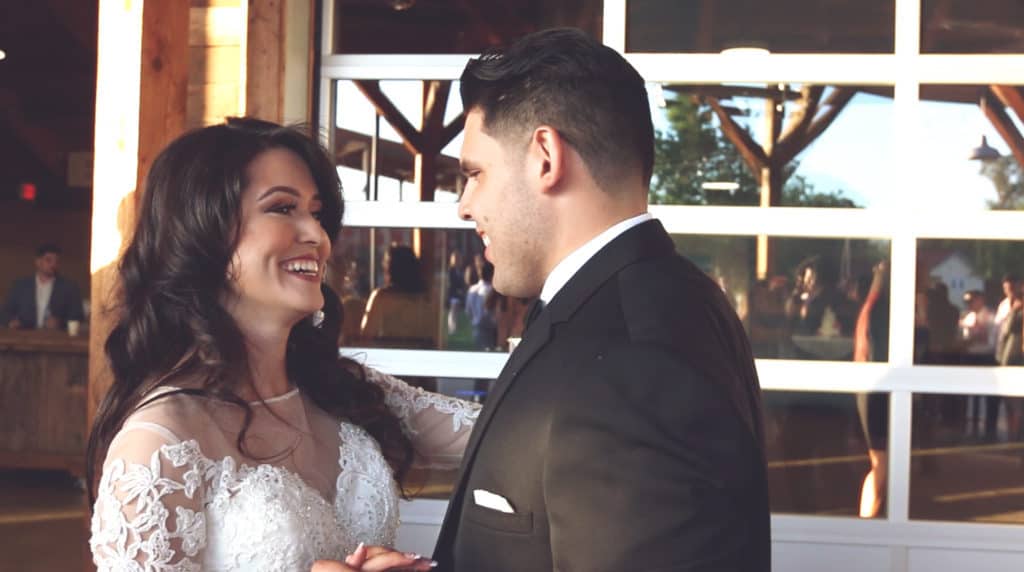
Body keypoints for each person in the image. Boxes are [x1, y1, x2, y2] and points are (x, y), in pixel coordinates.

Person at [433, 28, 769, 571]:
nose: (464, 206)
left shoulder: (635, 361)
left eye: (474, 174)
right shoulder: (657, 301)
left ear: (545, 157)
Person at [86, 118, 480, 572]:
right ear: (203, 236)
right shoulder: (160, 444)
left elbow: (504, 430)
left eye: (316, 213)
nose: (317, 236)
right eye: (282, 208)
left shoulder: (342, 390)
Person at [359, 245, 437, 348]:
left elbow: (366, 334)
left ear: (389, 267)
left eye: (385, 263)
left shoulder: (381, 297)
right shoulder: (426, 299)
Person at [1, 243, 84, 330]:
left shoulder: (69, 287)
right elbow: (5, 313)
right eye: (49, 260)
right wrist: (11, 322)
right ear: (38, 262)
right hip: (24, 336)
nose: (53, 265)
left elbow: (77, 316)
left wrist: (60, 322)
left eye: (56, 261)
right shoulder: (20, 286)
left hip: (57, 338)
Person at [464, 261, 497, 350]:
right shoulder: (491, 290)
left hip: (476, 327)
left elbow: (468, 310)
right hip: (488, 328)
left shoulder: (472, 289)